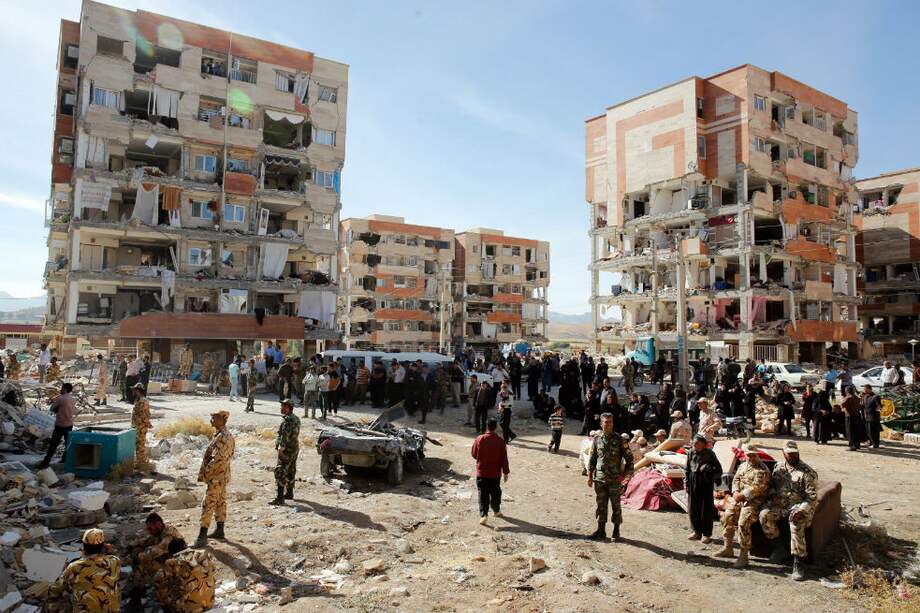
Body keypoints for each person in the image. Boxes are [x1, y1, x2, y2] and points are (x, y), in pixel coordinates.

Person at [759, 441, 818, 581]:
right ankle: (779, 548)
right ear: (783, 453)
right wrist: (773, 496)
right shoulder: (778, 467)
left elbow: (812, 498)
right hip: (782, 505)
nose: (792, 456)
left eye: (794, 453)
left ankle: (798, 563)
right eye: (789, 453)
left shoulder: (807, 472)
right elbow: (772, 485)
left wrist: (800, 510)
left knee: (796, 523)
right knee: (764, 515)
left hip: (801, 507)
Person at [715, 443, 770, 567]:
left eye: (753, 456)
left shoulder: (762, 470)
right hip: (739, 498)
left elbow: (758, 488)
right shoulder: (743, 466)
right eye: (748, 456)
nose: (750, 458)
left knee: (743, 522)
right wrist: (735, 492)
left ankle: (743, 554)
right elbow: (736, 480)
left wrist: (742, 495)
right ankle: (728, 548)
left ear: (757, 455)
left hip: (755, 501)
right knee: (727, 515)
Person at [46, 528, 120, 613]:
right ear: (103, 546)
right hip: (112, 610)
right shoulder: (115, 561)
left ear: (84, 546)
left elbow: (55, 589)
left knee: (52, 603)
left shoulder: (75, 566)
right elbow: (108, 555)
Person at [587, 413, 634, 542]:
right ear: (601, 424)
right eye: (605, 422)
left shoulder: (620, 440)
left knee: (616, 506)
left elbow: (630, 460)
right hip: (600, 479)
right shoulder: (597, 439)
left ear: (613, 423)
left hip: (614, 480)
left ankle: (616, 530)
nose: (608, 424)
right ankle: (600, 530)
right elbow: (593, 458)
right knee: (601, 505)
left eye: (610, 422)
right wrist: (590, 476)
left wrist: (625, 477)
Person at [195, 410, 235, 548]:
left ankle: (202, 536)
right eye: (211, 417)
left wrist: (206, 473)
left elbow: (218, 459)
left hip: (217, 476)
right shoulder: (221, 434)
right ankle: (220, 530)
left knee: (209, 503)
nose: (211, 419)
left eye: (214, 417)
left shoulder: (223, 436)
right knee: (220, 502)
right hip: (221, 475)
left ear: (223, 420)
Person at [129, 512, 183, 604]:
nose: (149, 531)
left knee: (142, 565)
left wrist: (140, 556)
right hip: (169, 563)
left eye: (150, 528)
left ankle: (139, 596)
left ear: (158, 524)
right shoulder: (159, 532)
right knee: (140, 564)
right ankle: (138, 592)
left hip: (178, 567)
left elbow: (159, 549)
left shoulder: (169, 533)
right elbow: (147, 541)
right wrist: (131, 546)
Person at [153, 538, 216, 613]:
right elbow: (214, 571)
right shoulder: (204, 554)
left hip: (189, 609)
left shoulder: (172, 562)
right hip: (209, 603)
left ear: (171, 553)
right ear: (185, 546)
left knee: (161, 587)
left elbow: (157, 579)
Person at [685, 433, 723, 543]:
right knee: (693, 507)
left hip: (706, 481)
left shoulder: (710, 454)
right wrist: (686, 483)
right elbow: (687, 468)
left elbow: (719, 470)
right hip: (693, 480)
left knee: (706, 508)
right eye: (694, 443)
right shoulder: (691, 452)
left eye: (697, 443)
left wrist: (711, 477)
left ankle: (706, 534)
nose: (695, 445)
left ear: (703, 444)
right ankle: (696, 531)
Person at [471, 418, 510, 525]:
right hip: (495, 474)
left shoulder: (479, 439)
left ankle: (484, 515)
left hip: (482, 473)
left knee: (483, 494)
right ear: (496, 428)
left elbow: (474, 454)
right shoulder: (501, 442)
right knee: (496, 492)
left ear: (487, 426)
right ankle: (496, 510)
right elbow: (504, 459)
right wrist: (506, 472)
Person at [38, 382, 77, 469]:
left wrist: (56, 408)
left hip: (60, 424)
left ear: (65, 389)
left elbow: (52, 408)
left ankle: (45, 462)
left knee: (53, 444)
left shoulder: (61, 398)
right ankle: (65, 460)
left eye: (62, 388)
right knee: (68, 444)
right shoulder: (73, 399)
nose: (61, 389)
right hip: (69, 424)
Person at [270, 399, 300, 505]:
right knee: (291, 470)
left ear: (289, 408)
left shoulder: (288, 420)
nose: (281, 408)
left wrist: (280, 450)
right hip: (294, 448)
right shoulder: (296, 418)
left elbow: (284, 437)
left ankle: (280, 497)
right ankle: (289, 493)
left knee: (280, 470)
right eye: (281, 406)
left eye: (284, 407)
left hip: (287, 450)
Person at [131, 383, 153, 473]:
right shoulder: (138, 400)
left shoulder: (143, 401)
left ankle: (140, 465)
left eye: (134, 390)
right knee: (137, 445)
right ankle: (138, 463)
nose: (133, 391)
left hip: (140, 427)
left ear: (138, 391)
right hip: (137, 427)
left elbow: (145, 415)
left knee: (140, 446)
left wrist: (147, 424)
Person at [841, 385, 864, 451]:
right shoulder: (857, 397)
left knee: (850, 431)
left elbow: (842, 405)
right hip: (857, 416)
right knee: (856, 431)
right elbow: (860, 407)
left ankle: (852, 446)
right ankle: (857, 445)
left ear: (847, 391)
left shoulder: (848, 397)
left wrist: (844, 398)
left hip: (849, 416)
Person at [862, 384, 882, 449]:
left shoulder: (875, 397)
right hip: (867, 416)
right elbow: (863, 406)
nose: (864, 391)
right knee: (868, 431)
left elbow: (879, 406)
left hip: (874, 417)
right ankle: (871, 443)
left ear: (870, 389)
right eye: (864, 390)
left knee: (874, 432)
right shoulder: (865, 397)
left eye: (866, 389)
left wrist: (877, 411)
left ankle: (875, 444)